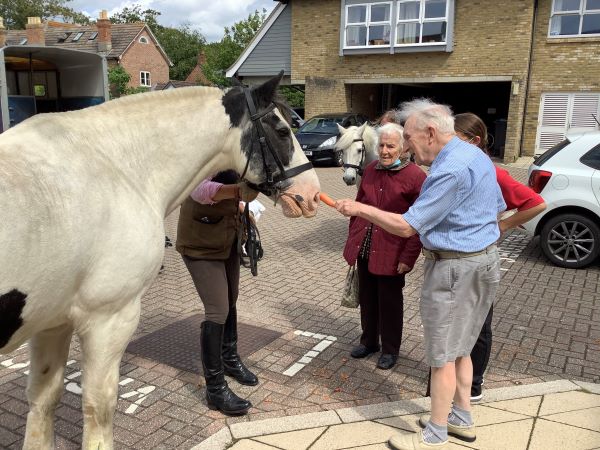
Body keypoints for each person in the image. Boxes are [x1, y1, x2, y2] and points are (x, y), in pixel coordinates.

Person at [335, 99, 506, 450]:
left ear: (430, 131)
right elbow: (497, 209)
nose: (407, 146)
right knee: (462, 349)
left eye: (409, 138)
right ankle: (461, 416)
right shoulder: (476, 156)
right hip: (482, 261)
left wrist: (359, 207)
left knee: (442, 355)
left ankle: (436, 433)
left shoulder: (450, 169)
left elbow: (405, 226)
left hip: (455, 268)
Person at [454, 112, 546, 401]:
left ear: (474, 141)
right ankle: (451, 374)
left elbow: (536, 203)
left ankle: (474, 384)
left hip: (479, 257)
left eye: (454, 141)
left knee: (479, 322)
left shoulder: (492, 172)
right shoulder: (455, 167)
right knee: (453, 321)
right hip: (453, 259)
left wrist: (502, 225)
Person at [176, 170, 260, 416]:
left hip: (227, 238)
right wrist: (237, 191)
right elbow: (197, 189)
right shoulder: (202, 146)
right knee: (217, 309)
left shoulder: (236, 150)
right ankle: (215, 389)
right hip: (200, 243)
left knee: (230, 299)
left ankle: (230, 360)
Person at [344, 123, 426, 370]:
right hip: (366, 247)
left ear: (403, 148)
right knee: (367, 298)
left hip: (393, 251)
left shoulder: (416, 177)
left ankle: (390, 349)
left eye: (391, 146)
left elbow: (419, 222)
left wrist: (408, 257)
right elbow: (359, 207)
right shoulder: (370, 170)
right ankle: (369, 341)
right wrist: (353, 241)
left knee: (389, 302)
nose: (385, 150)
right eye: (381, 145)